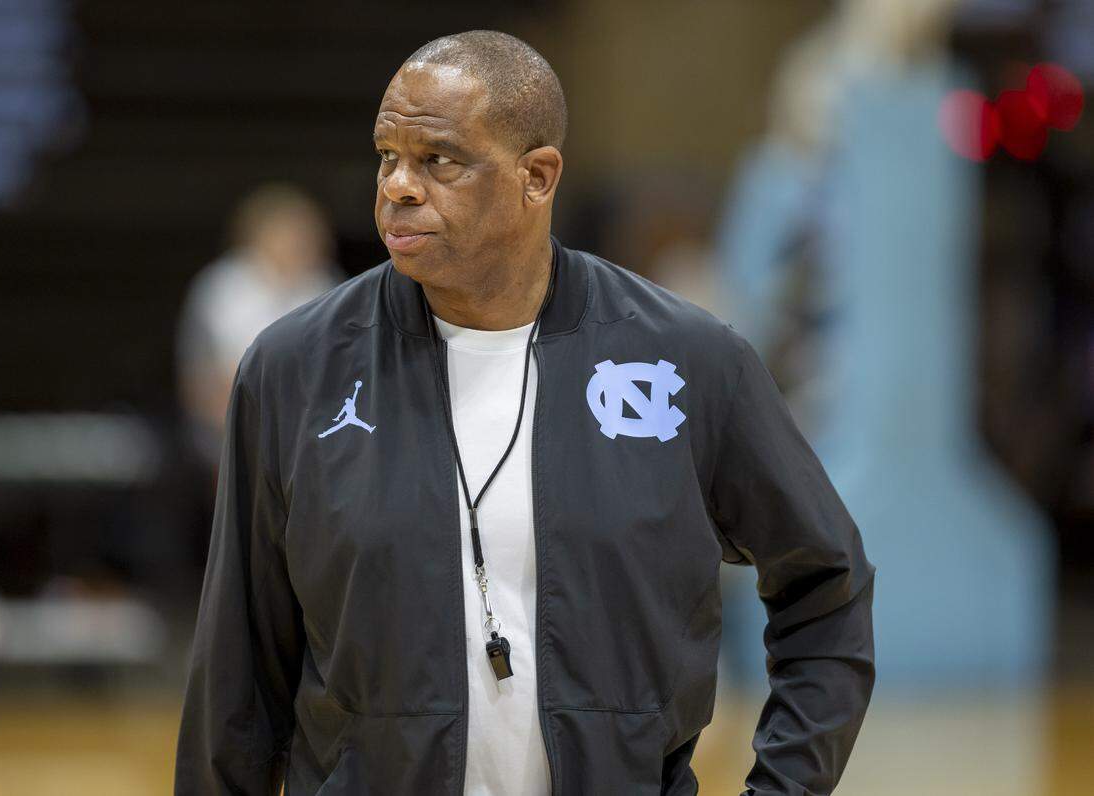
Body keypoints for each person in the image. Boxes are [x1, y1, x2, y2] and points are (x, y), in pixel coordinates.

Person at [175, 30, 875, 796]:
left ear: (536, 178)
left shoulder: (690, 364)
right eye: (387, 156)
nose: (398, 187)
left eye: (438, 161)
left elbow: (825, 589)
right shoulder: (293, 372)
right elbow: (236, 685)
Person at [175, 182, 344, 465]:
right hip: (231, 424)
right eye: (286, 234)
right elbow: (200, 378)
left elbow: (342, 373)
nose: (295, 243)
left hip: (311, 429)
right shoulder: (223, 287)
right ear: (257, 235)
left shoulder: (328, 288)